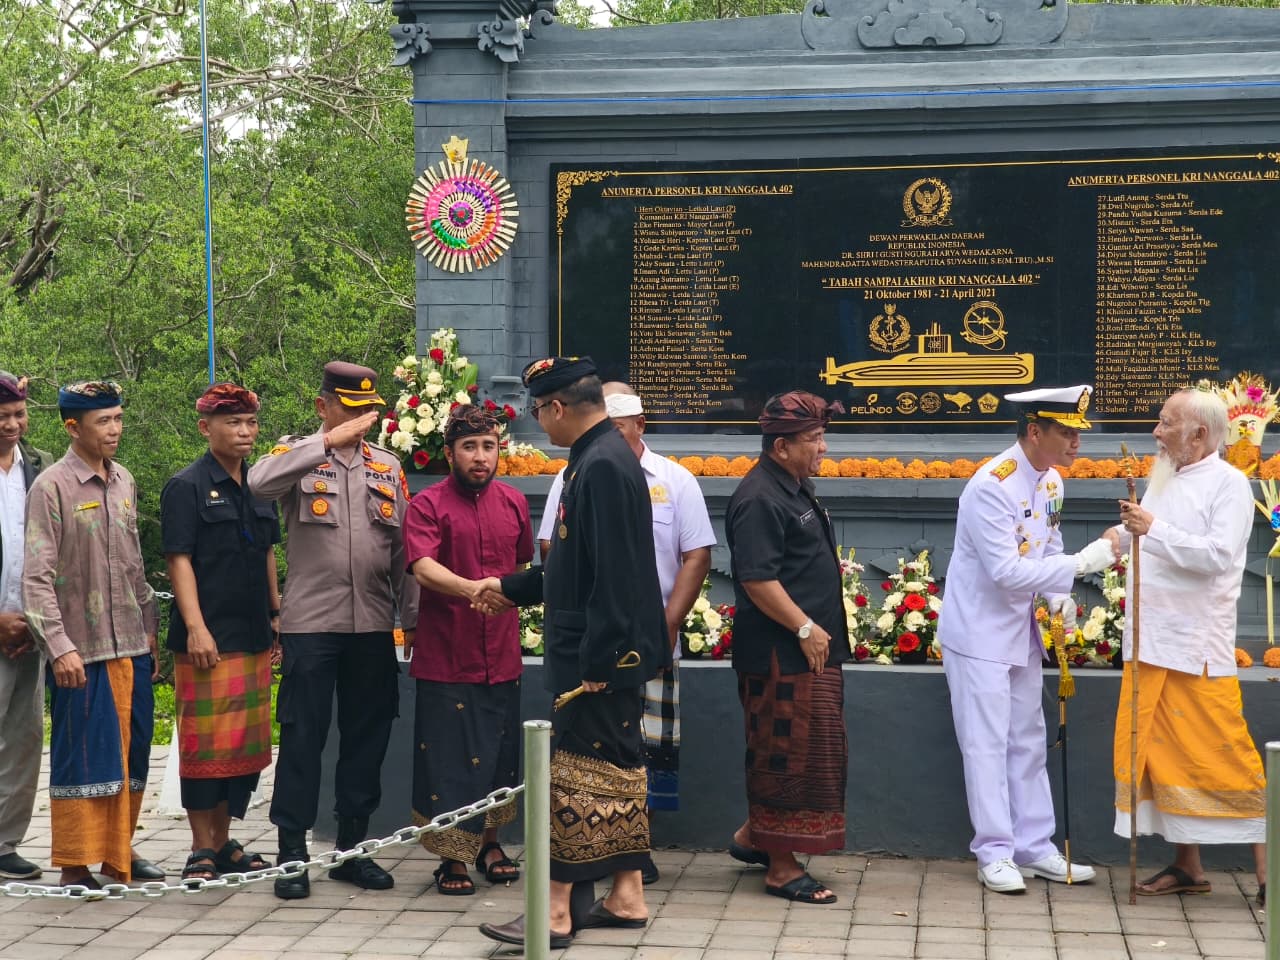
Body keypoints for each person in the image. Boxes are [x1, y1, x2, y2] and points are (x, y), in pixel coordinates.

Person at [477, 356, 666, 950]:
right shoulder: (596, 459)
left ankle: (554, 914)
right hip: (597, 655)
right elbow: (571, 564)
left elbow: (617, 576)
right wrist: (510, 588)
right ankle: (626, 895)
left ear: (558, 407)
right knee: (613, 773)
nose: (538, 425)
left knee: (573, 781)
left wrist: (602, 665)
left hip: (596, 663)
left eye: (538, 413)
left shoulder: (602, 466)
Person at [938, 384, 1117, 894]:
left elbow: (1048, 543)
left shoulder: (1053, 481)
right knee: (987, 744)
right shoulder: (992, 485)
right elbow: (1004, 570)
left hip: (1020, 632)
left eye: (1077, 432)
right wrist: (1086, 563)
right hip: (979, 634)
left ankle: (1034, 846)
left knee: (1028, 740)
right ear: (1034, 431)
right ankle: (994, 850)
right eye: (1065, 432)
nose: (1076, 442)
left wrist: (1059, 591)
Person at [250, 361, 417, 900]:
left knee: (366, 740)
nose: (361, 418)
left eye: (367, 408)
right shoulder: (295, 456)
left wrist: (410, 617)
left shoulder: (387, 468)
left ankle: (352, 849)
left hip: (371, 626)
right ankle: (292, 855)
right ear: (324, 406)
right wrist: (325, 442)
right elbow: (257, 485)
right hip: (311, 627)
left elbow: (401, 552)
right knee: (303, 738)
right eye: (349, 407)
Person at [536, 382, 714, 885]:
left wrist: (650, 634)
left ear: (641, 422)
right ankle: (624, 885)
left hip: (622, 649)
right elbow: (559, 552)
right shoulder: (581, 470)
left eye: (622, 423)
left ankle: (604, 880)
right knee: (615, 762)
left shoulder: (654, 477)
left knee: (632, 760)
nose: (613, 432)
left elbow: (688, 557)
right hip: (607, 646)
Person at [1107, 386, 1267, 904]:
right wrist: (1089, 556)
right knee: (1162, 759)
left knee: (1225, 758)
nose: (1156, 432)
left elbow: (1216, 556)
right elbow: (1137, 537)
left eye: (1165, 423)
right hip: (1149, 640)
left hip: (1196, 647)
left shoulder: (1230, 485)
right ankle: (1187, 866)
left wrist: (1152, 528)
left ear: (1199, 434)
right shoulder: (1164, 478)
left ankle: (1272, 878)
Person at [23, 380, 163, 888]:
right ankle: (77, 863)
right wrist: (59, 648)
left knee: (133, 755)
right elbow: (36, 578)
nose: (115, 430)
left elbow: (135, 566)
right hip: (82, 652)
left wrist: (151, 632)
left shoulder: (123, 479)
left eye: (119, 418)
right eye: (104, 421)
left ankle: (118, 852)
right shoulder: (52, 486)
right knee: (84, 757)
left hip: (131, 644)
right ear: (71, 427)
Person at [723, 390, 848, 905]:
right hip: (781, 655)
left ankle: (755, 838)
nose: (822, 448)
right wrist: (803, 627)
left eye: (820, 437)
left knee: (816, 753)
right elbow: (757, 579)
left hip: (808, 654)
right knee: (785, 757)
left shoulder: (792, 486)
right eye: (813, 439)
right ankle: (780, 867)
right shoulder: (759, 497)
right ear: (780, 447)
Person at [403, 403, 533, 896]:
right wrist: (473, 589)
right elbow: (422, 567)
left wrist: (501, 591)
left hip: (500, 653)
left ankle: (490, 844)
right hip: (446, 653)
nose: (481, 457)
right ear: (450, 452)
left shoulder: (513, 502)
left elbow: (519, 563)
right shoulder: (428, 504)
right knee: (448, 759)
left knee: (499, 754)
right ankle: (450, 859)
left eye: (489, 447)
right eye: (469, 447)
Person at [160, 383, 281, 884]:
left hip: (253, 631)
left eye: (251, 421)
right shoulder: (186, 485)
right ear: (204, 427)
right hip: (208, 635)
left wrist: (277, 616)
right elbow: (179, 559)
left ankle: (226, 839)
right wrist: (195, 628)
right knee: (204, 746)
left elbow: (269, 551)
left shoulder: (259, 483)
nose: (245, 431)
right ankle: (199, 846)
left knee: (246, 748)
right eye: (233, 422)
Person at [0, 372, 50, 881]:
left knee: (24, 738)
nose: (13, 425)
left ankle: (5, 841)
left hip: (29, 628)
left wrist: (35, 620)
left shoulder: (36, 468)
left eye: (19, 415)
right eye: (3, 418)